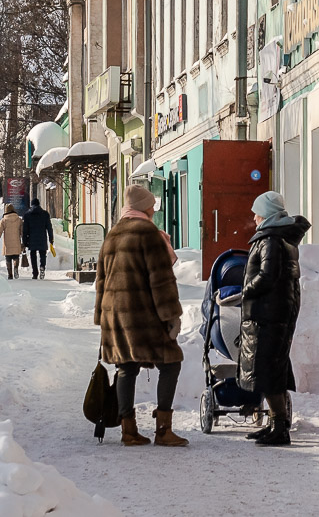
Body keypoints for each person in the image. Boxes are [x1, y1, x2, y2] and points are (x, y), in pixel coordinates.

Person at [93, 183, 187, 447]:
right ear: (145, 207)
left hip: (115, 314)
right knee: (171, 362)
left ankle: (128, 430)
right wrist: (171, 316)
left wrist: (102, 317)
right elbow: (162, 280)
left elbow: (101, 280)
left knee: (126, 367)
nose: (154, 210)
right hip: (144, 315)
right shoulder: (149, 233)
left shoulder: (112, 235)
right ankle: (163, 430)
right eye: (152, 206)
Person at [232, 191, 310, 447]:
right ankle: (277, 423)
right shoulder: (278, 238)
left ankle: (279, 427)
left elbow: (267, 276)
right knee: (271, 369)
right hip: (273, 313)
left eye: (257, 212)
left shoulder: (272, 240)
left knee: (268, 370)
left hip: (268, 314)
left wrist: (244, 291)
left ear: (266, 214)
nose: (254, 218)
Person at [22, 197, 53, 279]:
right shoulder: (45, 214)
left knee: (33, 255)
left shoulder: (27, 215)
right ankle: (42, 266)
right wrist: (51, 238)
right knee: (43, 254)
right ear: (39, 204)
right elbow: (49, 227)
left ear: (31, 205)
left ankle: (35, 272)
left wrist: (24, 241)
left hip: (32, 238)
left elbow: (25, 230)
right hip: (42, 238)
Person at [0, 201, 24, 278]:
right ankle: (16, 268)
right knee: (16, 257)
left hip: (7, 244)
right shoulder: (19, 220)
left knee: (8, 259)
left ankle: (10, 274)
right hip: (17, 243)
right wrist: (24, 241)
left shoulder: (4, 220)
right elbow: (22, 231)